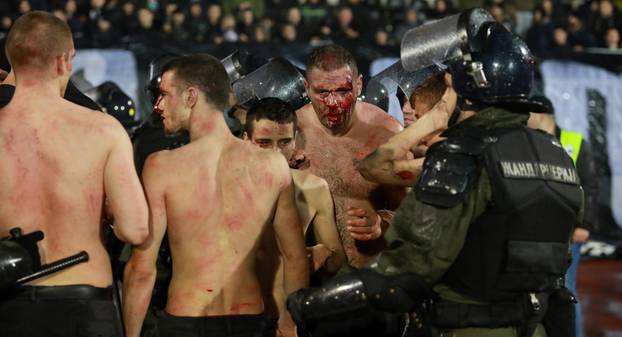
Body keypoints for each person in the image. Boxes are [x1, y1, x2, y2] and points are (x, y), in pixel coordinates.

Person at [288, 20, 583, 337]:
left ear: (467, 88)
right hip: (537, 325)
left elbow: (406, 268)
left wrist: (311, 304)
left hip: (473, 326)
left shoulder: (461, 157)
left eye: (451, 83)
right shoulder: (556, 155)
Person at [122, 54, 309, 337]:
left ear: (191, 96)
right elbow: (294, 257)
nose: (158, 105)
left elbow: (141, 269)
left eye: (164, 94)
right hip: (248, 322)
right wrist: (289, 323)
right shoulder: (271, 165)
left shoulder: (162, 167)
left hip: (186, 321)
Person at [0, 11, 149, 337]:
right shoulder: (103, 130)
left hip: (10, 304)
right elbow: (135, 229)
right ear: (65, 61)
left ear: (12, 59)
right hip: (86, 301)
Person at [295, 44, 406, 268]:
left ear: (358, 85)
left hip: (370, 273)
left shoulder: (386, 134)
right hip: (313, 275)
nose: (334, 103)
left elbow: (410, 211)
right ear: (307, 88)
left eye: (343, 91)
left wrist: (381, 223)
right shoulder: (291, 133)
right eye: (322, 92)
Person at [245, 97, 346, 333]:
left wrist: (324, 253)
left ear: (296, 141)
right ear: (246, 141)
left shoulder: (314, 189)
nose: (275, 152)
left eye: (284, 142)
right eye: (264, 142)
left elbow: (337, 260)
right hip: (237, 319)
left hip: (288, 320)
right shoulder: (226, 188)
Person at [527, 94, 598, 337]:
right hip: (539, 230)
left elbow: (588, 186)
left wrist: (585, 224)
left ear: (539, 115)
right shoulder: (529, 142)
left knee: (566, 290)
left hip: (568, 230)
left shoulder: (574, 142)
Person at [358, 71, 456, 186]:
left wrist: (434, 119)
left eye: (419, 118)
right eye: (403, 101)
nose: (405, 110)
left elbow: (371, 167)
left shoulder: (448, 164)